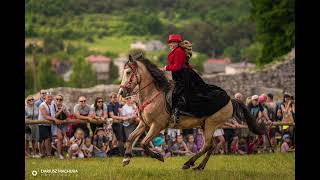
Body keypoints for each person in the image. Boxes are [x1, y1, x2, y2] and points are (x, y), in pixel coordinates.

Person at [161, 34, 230, 123]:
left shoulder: (178, 51)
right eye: (170, 43)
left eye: (172, 42)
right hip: (180, 75)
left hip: (183, 76)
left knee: (177, 93)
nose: (170, 44)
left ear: (177, 43)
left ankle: (176, 114)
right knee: (177, 93)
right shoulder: (176, 50)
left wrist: (166, 68)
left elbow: (177, 66)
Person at [38, 92, 62, 158]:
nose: (50, 98)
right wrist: (55, 119)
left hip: (49, 124)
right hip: (42, 124)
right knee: (46, 138)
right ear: (45, 97)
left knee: (47, 139)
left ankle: (43, 154)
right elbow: (45, 116)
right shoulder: (42, 105)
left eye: (51, 97)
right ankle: (48, 155)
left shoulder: (52, 104)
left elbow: (55, 113)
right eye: (48, 97)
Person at [52, 94, 70, 159]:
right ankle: (59, 154)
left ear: (62, 100)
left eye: (60, 99)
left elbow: (68, 115)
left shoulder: (64, 106)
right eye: (57, 99)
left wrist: (64, 111)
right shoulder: (53, 106)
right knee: (60, 138)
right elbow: (54, 116)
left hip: (64, 125)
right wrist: (60, 110)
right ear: (55, 100)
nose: (58, 100)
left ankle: (60, 153)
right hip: (56, 125)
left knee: (62, 139)